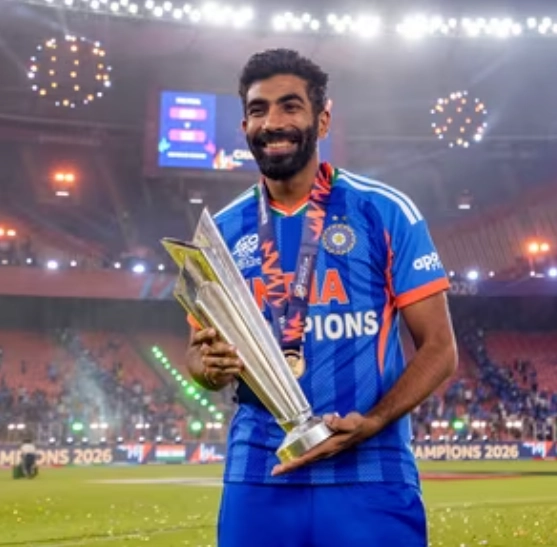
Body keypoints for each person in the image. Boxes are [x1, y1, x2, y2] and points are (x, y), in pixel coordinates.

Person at [186, 48, 458, 547]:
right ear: (244, 126)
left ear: (323, 119)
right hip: (259, 473)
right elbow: (199, 359)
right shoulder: (219, 233)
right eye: (258, 110)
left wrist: (373, 421)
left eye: (290, 106)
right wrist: (208, 368)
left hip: (371, 470)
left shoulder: (383, 211)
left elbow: (440, 348)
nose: (273, 122)